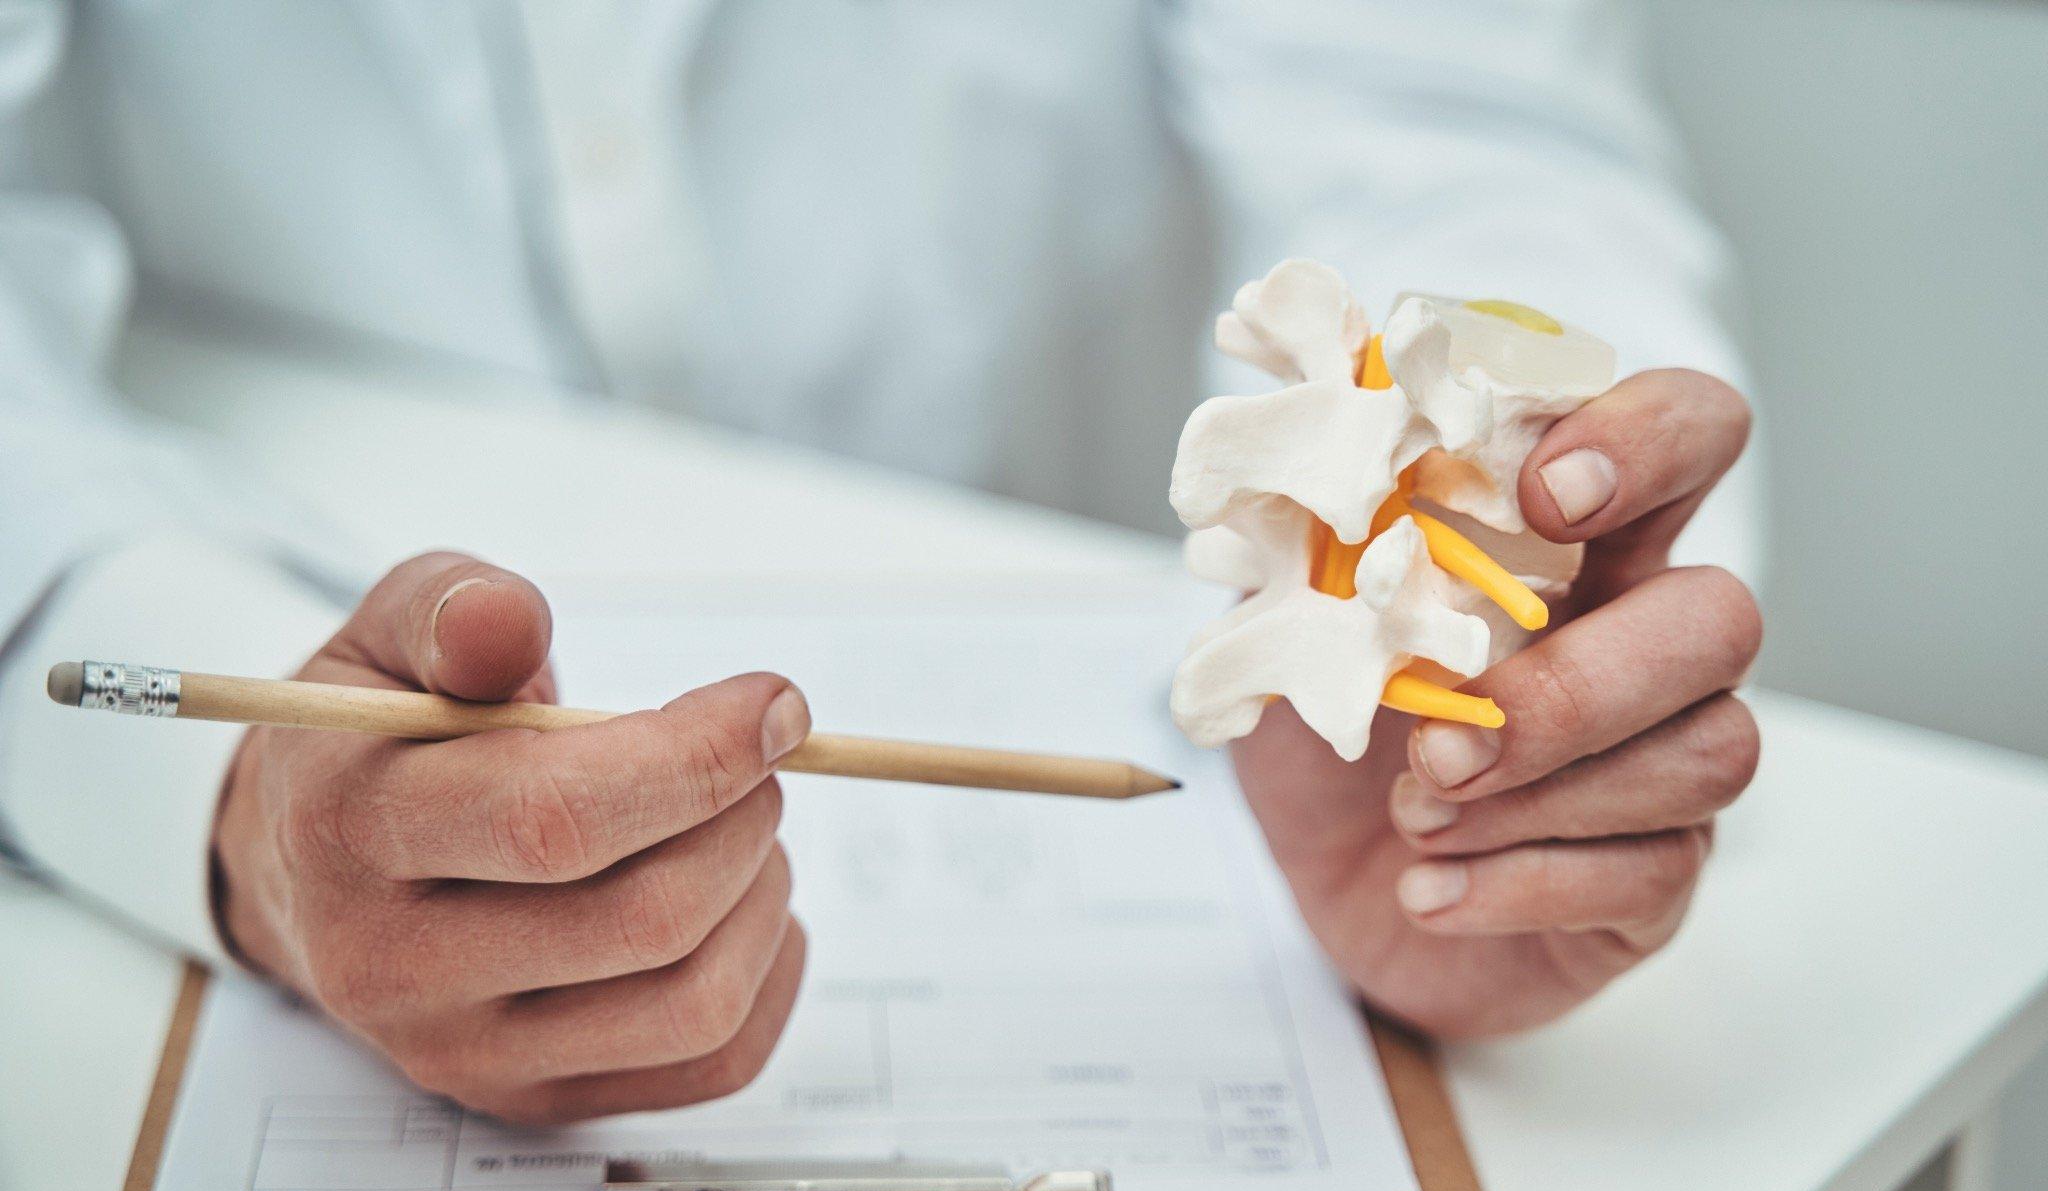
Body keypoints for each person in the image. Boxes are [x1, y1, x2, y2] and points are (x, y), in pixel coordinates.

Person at [0, 1, 1761, 1123]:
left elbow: (1453, 128)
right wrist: (214, 767)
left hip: (1217, 718)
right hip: (236, 506)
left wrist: (1510, 631)